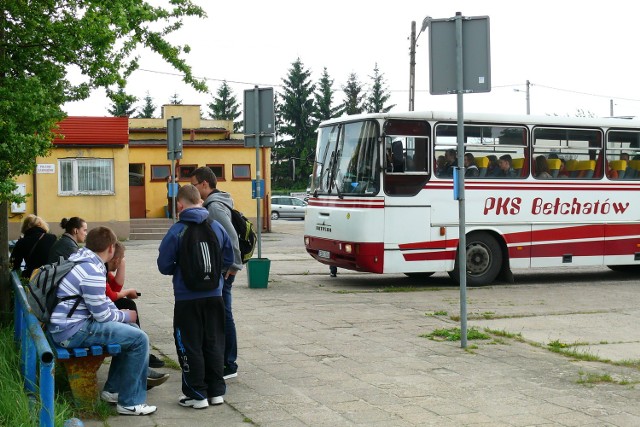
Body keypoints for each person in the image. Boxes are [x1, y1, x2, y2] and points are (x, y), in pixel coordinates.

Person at [47, 226, 157, 416]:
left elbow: (102, 303)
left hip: (67, 326)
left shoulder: (83, 261)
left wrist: (122, 317)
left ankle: (112, 391)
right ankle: (131, 403)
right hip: (73, 331)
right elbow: (102, 316)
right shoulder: (91, 270)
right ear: (111, 248)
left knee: (130, 330)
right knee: (139, 339)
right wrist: (126, 315)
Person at [157, 184, 234, 409]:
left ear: (180, 204)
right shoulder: (216, 226)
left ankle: (196, 394)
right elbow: (228, 257)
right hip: (215, 295)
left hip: (186, 298)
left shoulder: (177, 230)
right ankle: (216, 392)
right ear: (200, 200)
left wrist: (180, 269)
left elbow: (163, 265)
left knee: (189, 344)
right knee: (214, 342)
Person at [190, 166, 243, 380]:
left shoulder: (214, 207)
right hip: (221, 270)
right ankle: (222, 360)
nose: (192, 189)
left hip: (223, 271)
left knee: (224, 315)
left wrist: (233, 266)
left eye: (194, 185)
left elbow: (231, 238)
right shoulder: (216, 203)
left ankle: (228, 364)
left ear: (204, 184)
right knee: (220, 315)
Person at [106, 242, 166, 370]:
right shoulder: (97, 268)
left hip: (93, 315)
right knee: (128, 309)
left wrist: (121, 263)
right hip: (87, 324)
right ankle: (140, 355)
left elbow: (114, 288)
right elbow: (111, 295)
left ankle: (141, 358)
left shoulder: (101, 268)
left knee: (129, 308)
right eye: (121, 258)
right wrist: (127, 292)